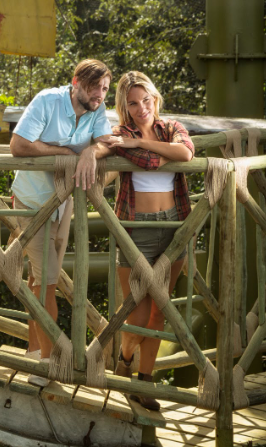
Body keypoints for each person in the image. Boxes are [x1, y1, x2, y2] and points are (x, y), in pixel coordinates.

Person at [10, 59, 119, 387]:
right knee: (48, 283)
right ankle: (50, 362)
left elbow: (106, 142)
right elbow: (18, 145)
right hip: (31, 202)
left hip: (62, 204)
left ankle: (33, 353)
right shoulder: (47, 101)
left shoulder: (96, 110)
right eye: (93, 86)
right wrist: (64, 154)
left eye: (104, 88)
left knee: (38, 279)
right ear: (75, 83)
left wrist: (89, 153)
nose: (99, 94)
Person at [107, 71, 194, 411]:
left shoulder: (170, 127)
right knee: (137, 314)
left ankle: (144, 381)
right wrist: (135, 147)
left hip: (174, 225)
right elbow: (156, 160)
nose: (141, 108)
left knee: (161, 309)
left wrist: (139, 144)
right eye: (133, 103)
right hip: (136, 227)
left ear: (155, 99)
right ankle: (125, 357)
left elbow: (185, 153)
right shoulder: (120, 132)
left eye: (146, 100)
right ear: (124, 108)